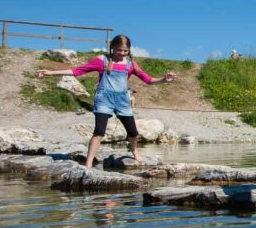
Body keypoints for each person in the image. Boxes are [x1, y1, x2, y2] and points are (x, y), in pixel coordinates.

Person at [39, 34, 177, 167]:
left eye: (125, 51)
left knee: (133, 133)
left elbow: (149, 80)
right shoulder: (102, 60)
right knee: (99, 131)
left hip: (123, 101)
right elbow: (77, 71)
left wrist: (164, 79)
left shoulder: (131, 65)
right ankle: (88, 163)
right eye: (119, 50)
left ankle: (134, 151)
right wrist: (50, 73)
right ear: (112, 47)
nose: (122, 53)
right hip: (104, 99)